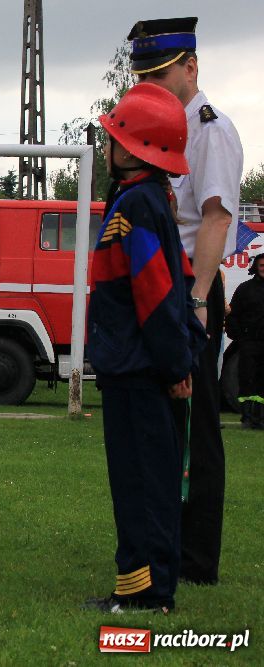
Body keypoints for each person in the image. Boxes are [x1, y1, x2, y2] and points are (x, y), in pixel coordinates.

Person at [82, 83, 205, 614]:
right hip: (138, 368)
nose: (106, 144)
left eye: (112, 136)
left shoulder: (137, 204)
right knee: (138, 481)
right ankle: (136, 587)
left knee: (143, 484)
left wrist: (175, 362)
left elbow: (156, 293)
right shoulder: (148, 200)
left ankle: (151, 594)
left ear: (132, 150)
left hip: (139, 371)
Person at [129, 16, 243, 585]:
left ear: (191, 67)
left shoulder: (210, 128)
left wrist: (198, 297)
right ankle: (167, 543)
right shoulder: (163, 126)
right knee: (166, 419)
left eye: (161, 72)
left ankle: (197, 559)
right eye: (143, 74)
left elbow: (217, 216)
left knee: (197, 425)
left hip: (193, 283)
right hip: (165, 281)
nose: (152, 83)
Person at [224, 249, 264, 429]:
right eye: (262, 265)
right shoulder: (244, 289)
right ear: (255, 266)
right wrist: (239, 337)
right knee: (247, 379)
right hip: (249, 344)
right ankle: (247, 417)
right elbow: (232, 315)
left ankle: (261, 418)